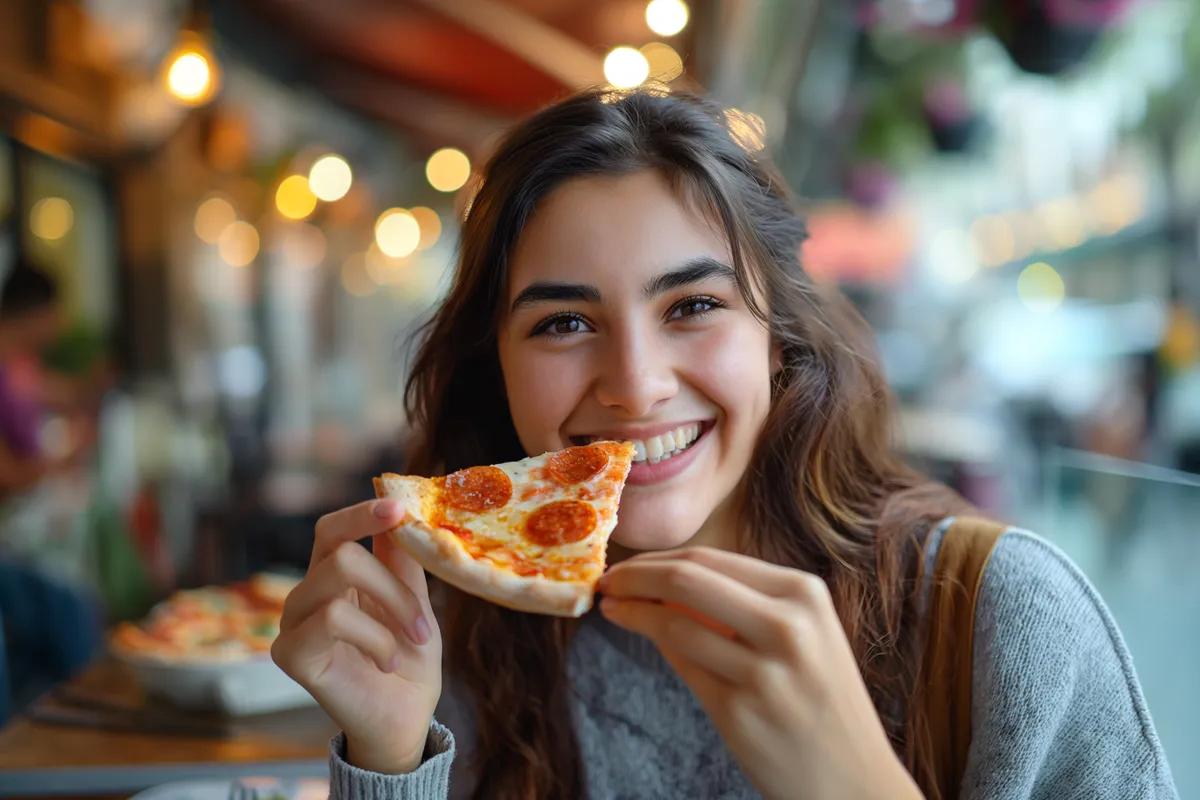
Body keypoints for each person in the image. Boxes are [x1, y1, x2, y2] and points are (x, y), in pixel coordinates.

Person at [271, 89, 1178, 799]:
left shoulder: (1005, 618)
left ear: (779, 338)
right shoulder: (456, 633)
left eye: (693, 306)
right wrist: (391, 763)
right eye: (562, 323)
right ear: (492, 367)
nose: (635, 382)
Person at [0, 261, 102, 724]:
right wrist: (60, 462)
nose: (60, 325)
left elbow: (65, 394)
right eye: (56, 313)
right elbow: (9, 474)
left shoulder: (20, 366)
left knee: (68, 618)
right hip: (12, 539)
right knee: (73, 617)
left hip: (26, 534)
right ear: (35, 311)